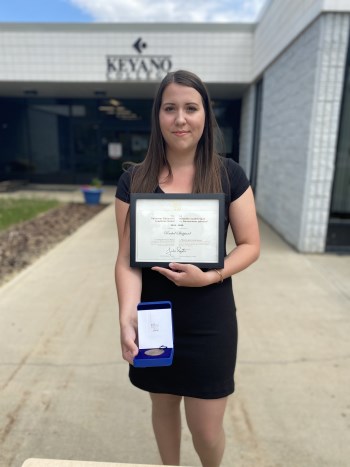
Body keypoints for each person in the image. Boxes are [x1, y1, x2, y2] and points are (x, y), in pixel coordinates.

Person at [115, 69, 260, 467]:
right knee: (162, 409)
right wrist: (127, 316)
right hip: (155, 315)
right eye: (170, 108)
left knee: (207, 430)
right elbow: (127, 259)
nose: (180, 118)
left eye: (190, 108)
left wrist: (211, 275)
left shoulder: (228, 175)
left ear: (204, 115)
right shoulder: (135, 180)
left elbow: (250, 245)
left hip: (209, 318)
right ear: (158, 117)